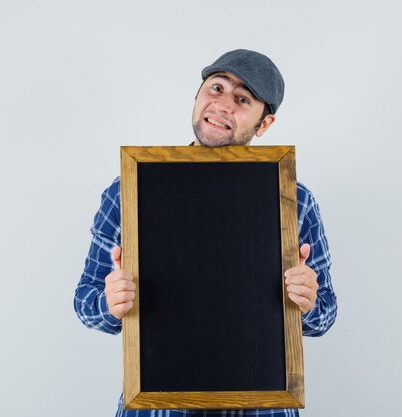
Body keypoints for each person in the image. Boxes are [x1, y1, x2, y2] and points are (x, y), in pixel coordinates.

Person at [73, 49, 338, 417]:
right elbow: (86, 304)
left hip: (262, 406)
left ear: (264, 124)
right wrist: (110, 303)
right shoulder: (131, 189)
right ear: (197, 96)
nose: (222, 104)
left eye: (242, 99)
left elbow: (325, 313)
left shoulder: (293, 198)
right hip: (159, 405)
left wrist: (307, 303)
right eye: (215, 88)